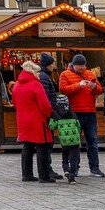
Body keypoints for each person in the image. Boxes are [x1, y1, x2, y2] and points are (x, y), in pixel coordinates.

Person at [59, 54, 105, 177]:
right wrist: (79, 85)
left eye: (82, 67)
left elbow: (100, 90)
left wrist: (94, 86)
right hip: (74, 113)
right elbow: (63, 90)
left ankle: (94, 168)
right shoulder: (65, 74)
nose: (80, 69)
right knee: (74, 142)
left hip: (90, 111)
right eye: (78, 67)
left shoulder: (90, 73)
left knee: (93, 141)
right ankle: (74, 168)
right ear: (73, 65)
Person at [13, 61, 54, 183]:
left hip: (23, 120)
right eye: (37, 72)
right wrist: (50, 115)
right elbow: (45, 105)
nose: (39, 74)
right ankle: (44, 176)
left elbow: (15, 103)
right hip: (37, 120)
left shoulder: (16, 85)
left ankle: (27, 174)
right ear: (32, 72)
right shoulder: (36, 85)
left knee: (27, 147)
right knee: (42, 147)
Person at [38, 53, 62, 181]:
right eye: (52, 63)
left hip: (48, 113)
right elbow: (46, 98)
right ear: (47, 64)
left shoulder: (45, 76)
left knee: (48, 143)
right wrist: (52, 113)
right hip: (48, 114)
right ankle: (47, 169)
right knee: (47, 143)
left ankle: (48, 169)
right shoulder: (44, 77)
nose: (54, 66)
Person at [49, 95, 81, 184]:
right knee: (74, 158)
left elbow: (51, 127)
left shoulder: (56, 114)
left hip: (64, 141)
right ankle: (72, 175)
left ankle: (66, 169)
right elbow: (78, 127)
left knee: (65, 155)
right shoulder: (73, 114)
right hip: (74, 140)